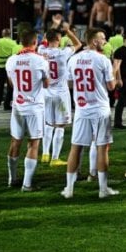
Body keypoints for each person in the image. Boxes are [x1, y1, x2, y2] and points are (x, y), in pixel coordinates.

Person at [61, 28, 119, 200]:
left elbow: (70, 84)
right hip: (100, 108)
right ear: (94, 41)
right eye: (102, 38)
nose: (105, 41)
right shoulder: (102, 59)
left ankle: (69, 189)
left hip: (82, 108)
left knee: (76, 147)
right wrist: (115, 69)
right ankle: (102, 189)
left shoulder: (73, 59)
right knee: (102, 148)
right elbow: (111, 86)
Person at [5, 29, 50, 192]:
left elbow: (11, 84)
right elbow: (46, 84)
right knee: (33, 144)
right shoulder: (40, 60)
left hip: (18, 105)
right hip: (35, 107)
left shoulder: (11, 60)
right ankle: (27, 184)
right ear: (35, 42)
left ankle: (12, 179)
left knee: (15, 142)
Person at [38, 17, 82, 166]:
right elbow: (78, 44)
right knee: (60, 125)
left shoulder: (41, 50)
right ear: (58, 38)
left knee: (48, 123)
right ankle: (55, 158)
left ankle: (44, 153)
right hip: (61, 94)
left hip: (46, 93)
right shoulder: (63, 53)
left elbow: (45, 39)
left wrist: (54, 26)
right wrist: (68, 31)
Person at [0, 28, 16, 110]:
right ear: (10, 34)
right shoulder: (13, 43)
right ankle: (6, 105)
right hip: (9, 68)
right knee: (10, 87)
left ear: (2, 34)